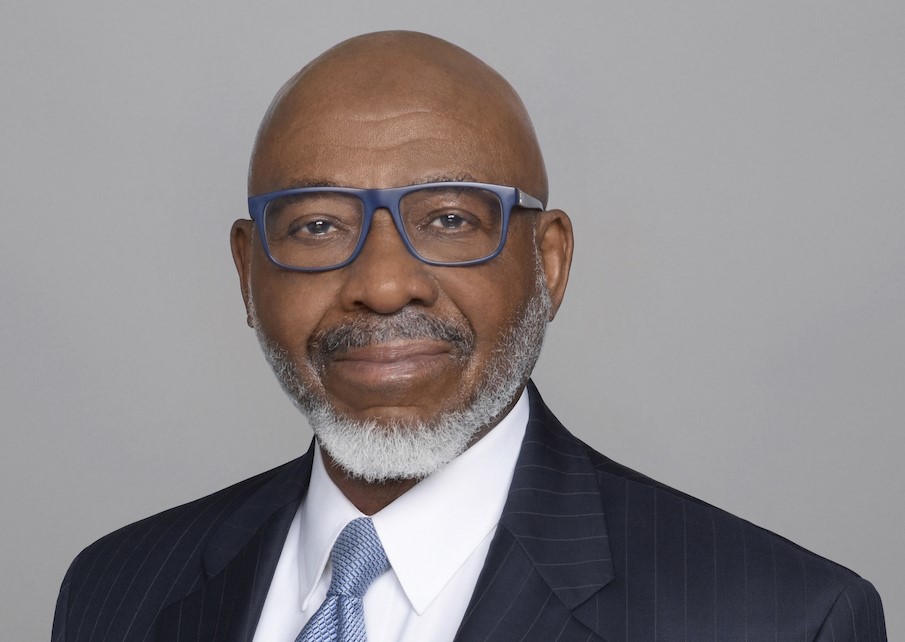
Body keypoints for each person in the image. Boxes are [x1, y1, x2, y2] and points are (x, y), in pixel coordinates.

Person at [52, 31, 885, 641]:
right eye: (315, 226)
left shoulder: (777, 617)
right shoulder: (115, 592)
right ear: (247, 272)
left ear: (547, 262)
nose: (382, 286)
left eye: (448, 218)